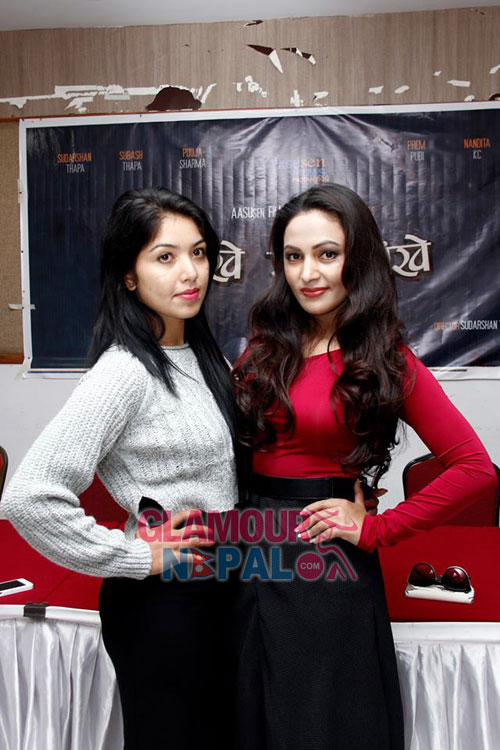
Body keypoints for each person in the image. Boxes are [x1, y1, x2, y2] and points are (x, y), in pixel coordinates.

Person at [232, 183, 497, 750]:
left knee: (319, 726)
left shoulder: (384, 358)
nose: (308, 273)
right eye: (294, 256)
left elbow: (475, 469)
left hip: (320, 560)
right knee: (250, 718)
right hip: (247, 549)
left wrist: (379, 528)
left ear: (360, 258)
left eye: (327, 254)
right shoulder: (263, 348)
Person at [2, 187, 242, 749]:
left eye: (199, 252)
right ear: (129, 276)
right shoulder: (124, 371)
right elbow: (28, 496)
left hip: (221, 586)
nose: (190, 271)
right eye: (165, 257)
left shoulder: (203, 355)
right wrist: (136, 555)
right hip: (165, 605)